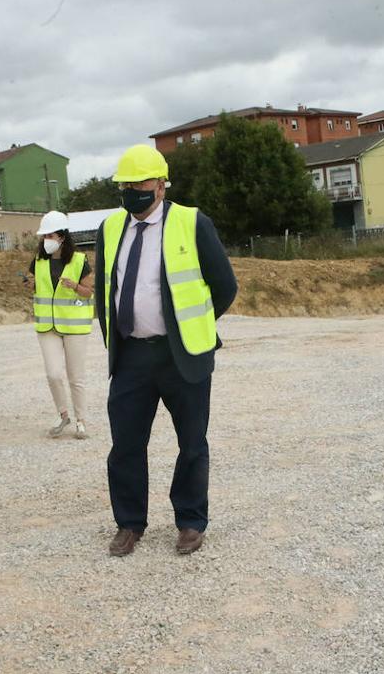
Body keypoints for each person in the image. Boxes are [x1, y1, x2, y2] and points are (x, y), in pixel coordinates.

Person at [94, 145, 237, 557]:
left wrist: (194, 330)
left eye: (138, 183)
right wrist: (116, 338)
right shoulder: (109, 229)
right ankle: (129, 523)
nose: (130, 191)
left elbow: (224, 286)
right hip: (132, 357)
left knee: (192, 443)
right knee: (125, 445)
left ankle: (190, 521)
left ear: (160, 183)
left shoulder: (192, 222)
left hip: (183, 356)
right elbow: (107, 291)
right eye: (124, 185)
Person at [27, 211, 93, 439]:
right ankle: (63, 414)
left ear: (62, 236)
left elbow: (88, 293)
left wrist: (75, 286)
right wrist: (31, 285)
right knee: (54, 374)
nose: (46, 240)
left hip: (74, 327)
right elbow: (36, 287)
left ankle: (81, 420)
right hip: (47, 326)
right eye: (44, 235)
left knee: (76, 377)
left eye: (50, 235)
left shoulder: (79, 260)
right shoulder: (38, 260)